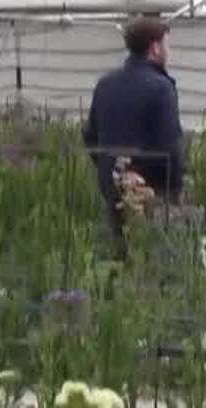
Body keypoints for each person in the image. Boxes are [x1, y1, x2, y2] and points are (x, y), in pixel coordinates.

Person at [83, 16, 184, 242]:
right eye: (167, 44)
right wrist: (175, 188)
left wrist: (112, 169)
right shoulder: (161, 87)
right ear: (155, 48)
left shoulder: (106, 83)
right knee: (152, 251)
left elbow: (90, 136)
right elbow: (170, 144)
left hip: (113, 186)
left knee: (120, 247)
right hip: (150, 189)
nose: (170, 50)